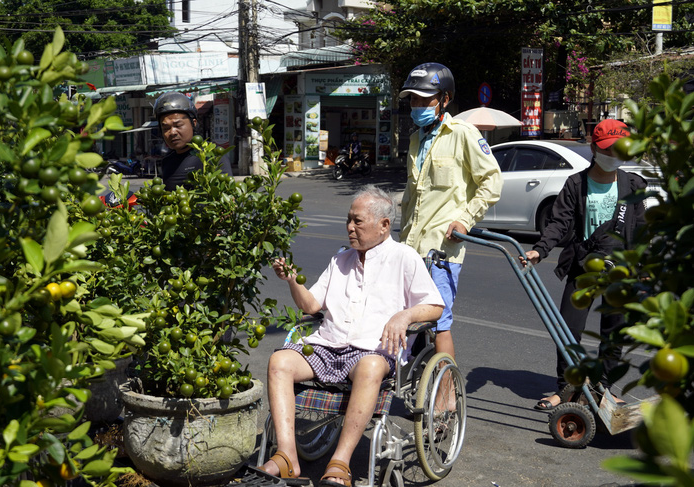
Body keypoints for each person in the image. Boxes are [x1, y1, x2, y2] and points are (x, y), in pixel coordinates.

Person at [260, 185, 444, 487]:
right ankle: (287, 456)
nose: (349, 227)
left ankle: (340, 461)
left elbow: (435, 306)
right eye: (349, 219)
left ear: (384, 225)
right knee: (279, 361)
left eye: (357, 221)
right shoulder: (341, 259)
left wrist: (405, 315)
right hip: (328, 345)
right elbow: (312, 305)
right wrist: (293, 280)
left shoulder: (404, 257)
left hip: (371, 352)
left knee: (370, 367)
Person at [520, 119, 647, 410]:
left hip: (621, 269)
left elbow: (641, 231)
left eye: (619, 149)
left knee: (614, 333)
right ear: (593, 147)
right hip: (584, 264)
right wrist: (540, 249)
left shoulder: (632, 185)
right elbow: (558, 222)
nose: (613, 155)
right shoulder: (576, 184)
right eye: (607, 149)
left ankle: (603, 389)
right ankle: (565, 389)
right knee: (569, 329)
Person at [398, 62, 503, 364]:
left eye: (424, 99)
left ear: (444, 98)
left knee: (438, 325)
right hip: (409, 251)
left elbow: (491, 181)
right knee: (404, 318)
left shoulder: (463, 134)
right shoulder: (416, 138)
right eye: (413, 100)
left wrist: (466, 220)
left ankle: (446, 399)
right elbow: (413, 197)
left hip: (441, 251)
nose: (417, 105)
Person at [153, 92, 232, 191]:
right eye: (166, 128)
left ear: (193, 123)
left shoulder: (212, 155)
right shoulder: (167, 162)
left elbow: (227, 197)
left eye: (178, 125)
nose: (172, 132)